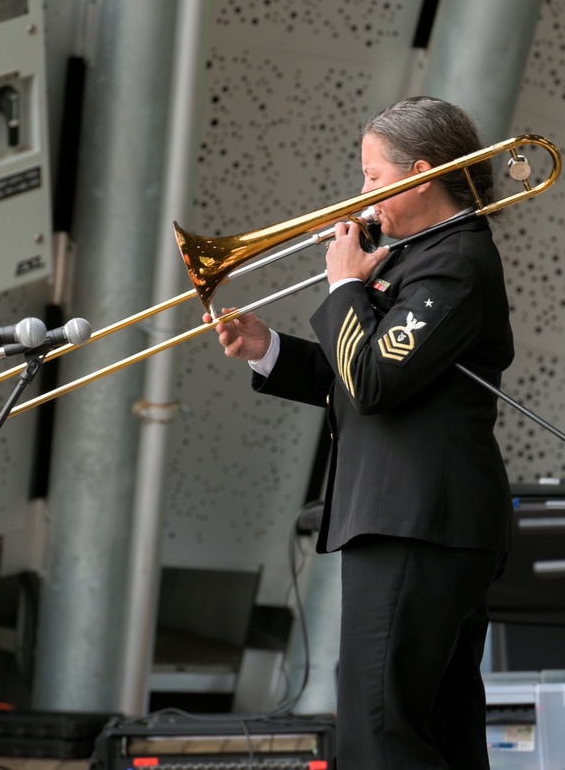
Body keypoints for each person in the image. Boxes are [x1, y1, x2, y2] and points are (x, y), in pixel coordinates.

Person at [207, 96, 513, 769]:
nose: (362, 192)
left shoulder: (453, 262)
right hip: (424, 520)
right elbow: (361, 379)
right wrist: (269, 350)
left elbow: (372, 382)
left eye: (372, 176)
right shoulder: (421, 259)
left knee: (378, 729)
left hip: (417, 520)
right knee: (435, 727)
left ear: (420, 173)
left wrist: (344, 286)